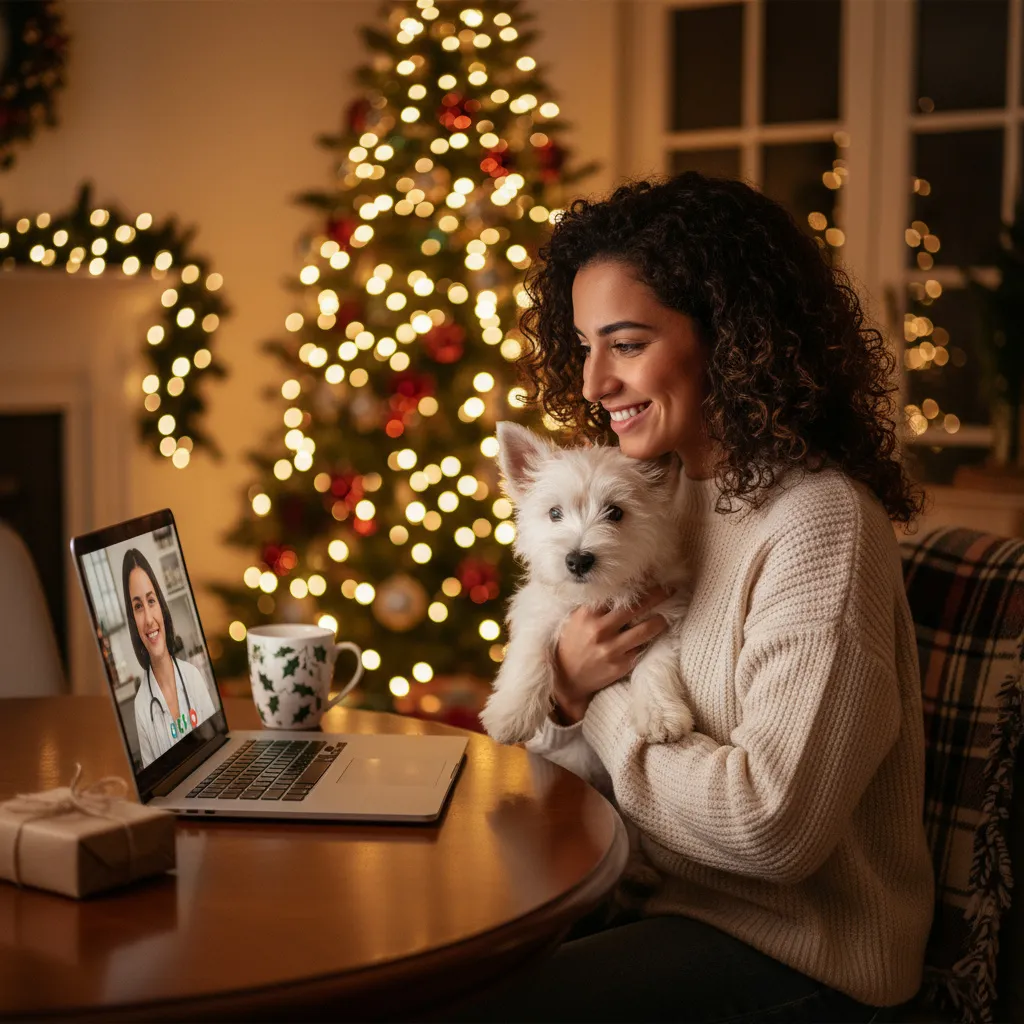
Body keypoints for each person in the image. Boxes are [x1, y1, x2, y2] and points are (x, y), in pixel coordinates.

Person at [456, 173, 934, 1022]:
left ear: (734, 340)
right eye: (584, 344)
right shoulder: (649, 496)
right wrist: (563, 689)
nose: (596, 381)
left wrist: (597, 701)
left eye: (627, 343)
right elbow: (577, 751)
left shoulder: (820, 525)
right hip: (645, 900)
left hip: (800, 953)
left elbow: (774, 830)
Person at [124, 548, 217, 768]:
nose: (148, 619)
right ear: (132, 621)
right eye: (137, 607)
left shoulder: (193, 676)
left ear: (161, 606)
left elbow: (216, 748)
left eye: (151, 601)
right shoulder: (141, 706)